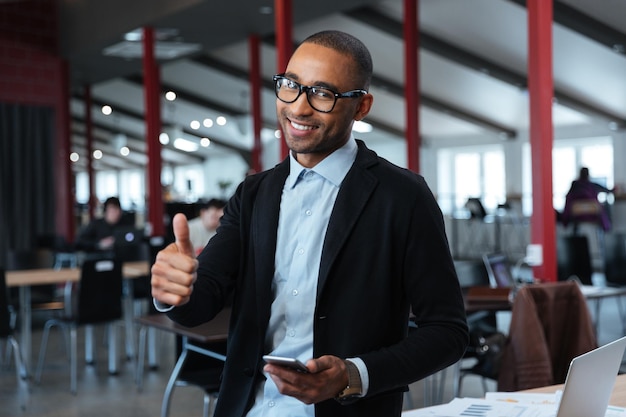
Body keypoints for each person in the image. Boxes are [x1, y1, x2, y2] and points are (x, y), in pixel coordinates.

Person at [151, 30, 468, 417]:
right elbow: (204, 300)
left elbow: (448, 333)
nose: (299, 108)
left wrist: (353, 374)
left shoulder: (402, 197)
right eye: (291, 86)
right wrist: (174, 292)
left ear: (362, 106)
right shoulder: (253, 195)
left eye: (323, 93)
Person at [562, 167, 613, 232]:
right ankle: (607, 230)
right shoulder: (591, 185)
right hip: (592, 215)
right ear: (588, 175)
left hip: (577, 216)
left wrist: (565, 220)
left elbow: (568, 201)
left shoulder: (574, 186)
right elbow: (607, 190)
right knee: (604, 206)